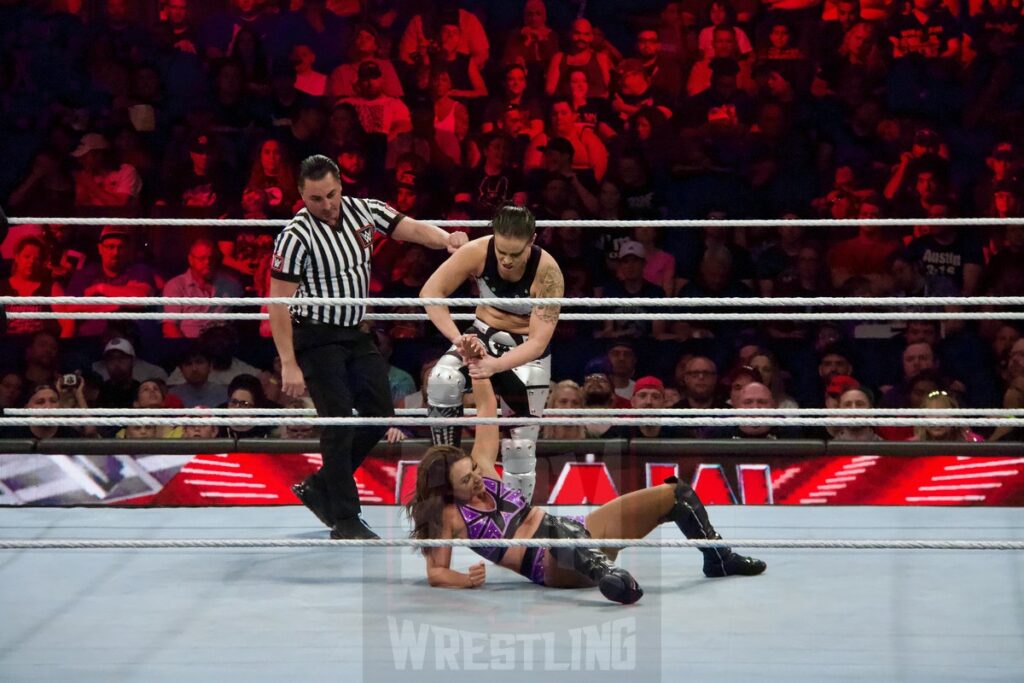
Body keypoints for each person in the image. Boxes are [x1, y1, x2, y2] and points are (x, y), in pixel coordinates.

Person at [405, 337, 765, 603]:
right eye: (466, 481)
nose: (477, 481)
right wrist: (464, 581)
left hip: (579, 535)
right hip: (548, 566)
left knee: (675, 493)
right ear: (448, 490)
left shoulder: (484, 470)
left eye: (472, 471)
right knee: (562, 533)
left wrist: (477, 365)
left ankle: (718, 557)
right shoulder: (449, 515)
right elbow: (436, 572)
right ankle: (607, 575)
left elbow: (486, 413)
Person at [269, 154, 468, 540]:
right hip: (315, 336)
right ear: (301, 196)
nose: (326, 205)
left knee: (379, 411)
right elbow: (277, 302)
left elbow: (409, 229)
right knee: (339, 422)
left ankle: (321, 485)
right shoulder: (295, 237)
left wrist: (447, 240)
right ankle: (344, 518)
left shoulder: (365, 210)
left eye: (331, 195)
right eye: (315, 199)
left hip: (356, 332)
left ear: (341, 185)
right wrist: (288, 363)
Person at [419, 205, 563, 503]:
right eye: (502, 252)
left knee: (521, 448)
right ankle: (447, 471)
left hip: (525, 350)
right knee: (442, 380)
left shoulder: (548, 273)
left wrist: (495, 366)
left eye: (515, 254)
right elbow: (431, 293)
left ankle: (516, 518)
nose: (507, 261)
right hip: (481, 333)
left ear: (532, 241)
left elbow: (538, 341)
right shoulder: (477, 251)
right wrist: (459, 340)